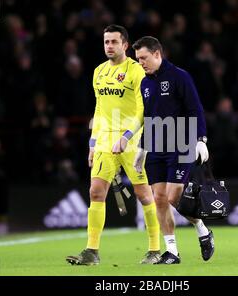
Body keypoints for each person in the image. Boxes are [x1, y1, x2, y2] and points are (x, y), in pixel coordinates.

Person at [66, 25, 160, 266]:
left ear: (125, 45)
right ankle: (92, 251)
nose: (109, 46)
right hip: (105, 140)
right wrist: (92, 142)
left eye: (114, 42)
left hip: (133, 141)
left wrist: (127, 136)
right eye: (106, 42)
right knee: (96, 192)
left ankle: (154, 249)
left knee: (143, 194)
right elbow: (99, 109)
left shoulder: (136, 71)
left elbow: (142, 110)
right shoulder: (98, 72)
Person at [132, 36, 213, 264]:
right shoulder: (145, 83)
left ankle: (201, 228)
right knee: (159, 199)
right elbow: (149, 117)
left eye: (144, 58)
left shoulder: (180, 76)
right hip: (156, 147)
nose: (141, 63)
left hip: (182, 142)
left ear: (157, 54)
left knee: (174, 195)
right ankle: (172, 252)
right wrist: (142, 147)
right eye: (138, 59)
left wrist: (201, 139)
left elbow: (195, 109)